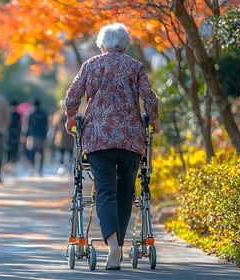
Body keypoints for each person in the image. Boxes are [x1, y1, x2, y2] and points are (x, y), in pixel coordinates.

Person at [64, 23, 161, 270]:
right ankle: (119, 243)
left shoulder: (91, 65)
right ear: (126, 45)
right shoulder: (136, 66)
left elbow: (73, 96)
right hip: (130, 139)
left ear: (102, 44)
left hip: (98, 139)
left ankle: (114, 247)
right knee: (126, 191)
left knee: (105, 191)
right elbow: (148, 97)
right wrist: (156, 120)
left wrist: (70, 116)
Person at [23, 98, 49, 176]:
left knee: (32, 152)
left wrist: (24, 135)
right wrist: (45, 135)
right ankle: (40, 169)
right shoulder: (43, 113)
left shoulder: (30, 113)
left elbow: (26, 126)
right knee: (41, 152)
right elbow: (46, 125)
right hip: (41, 135)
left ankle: (32, 168)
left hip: (32, 135)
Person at [52, 101, 74, 176]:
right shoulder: (71, 114)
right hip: (70, 137)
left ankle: (61, 167)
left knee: (61, 154)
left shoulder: (58, 115)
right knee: (71, 154)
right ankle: (71, 167)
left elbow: (54, 127)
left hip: (60, 137)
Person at [4, 100, 22, 175]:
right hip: (16, 134)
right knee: (14, 151)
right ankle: (14, 167)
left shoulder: (7, 114)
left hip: (8, 134)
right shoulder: (18, 115)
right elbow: (20, 126)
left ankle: (6, 167)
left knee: (7, 150)